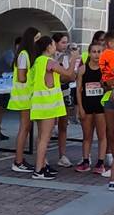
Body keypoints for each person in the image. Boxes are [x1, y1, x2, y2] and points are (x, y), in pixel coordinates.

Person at [28, 36, 78, 180]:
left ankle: (42, 165)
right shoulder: (49, 61)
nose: (55, 46)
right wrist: (74, 58)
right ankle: (39, 170)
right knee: (45, 138)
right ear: (48, 47)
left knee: (41, 137)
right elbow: (68, 74)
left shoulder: (38, 61)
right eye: (53, 44)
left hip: (38, 103)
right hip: (48, 104)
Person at [9, 27, 40, 172]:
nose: (38, 42)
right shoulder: (23, 55)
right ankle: (18, 161)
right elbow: (22, 77)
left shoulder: (28, 54)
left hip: (28, 97)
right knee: (24, 128)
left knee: (26, 128)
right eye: (36, 38)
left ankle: (20, 159)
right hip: (24, 97)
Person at [75, 42, 107, 174]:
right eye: (94, 51)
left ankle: (100, 162)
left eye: (99, 52)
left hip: (101, 107)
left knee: (102, 135)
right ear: (89, 53)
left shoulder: (105, 69)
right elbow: (78, 90)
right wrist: (80, 108)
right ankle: (86, 160)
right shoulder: (83, 69)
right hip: (87, 106)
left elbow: (110, 87)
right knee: (87, 136)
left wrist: (104, 84)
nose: (96, 54)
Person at [53, 33, 73, 168]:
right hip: (51, 94)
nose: (65, 45)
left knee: (63, 124)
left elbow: (70, 76)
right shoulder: (48, 58)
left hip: (64, 92)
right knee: (47, 127)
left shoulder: (67, 57)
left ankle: (62, 154)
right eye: (63, 42)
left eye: (66, 42)